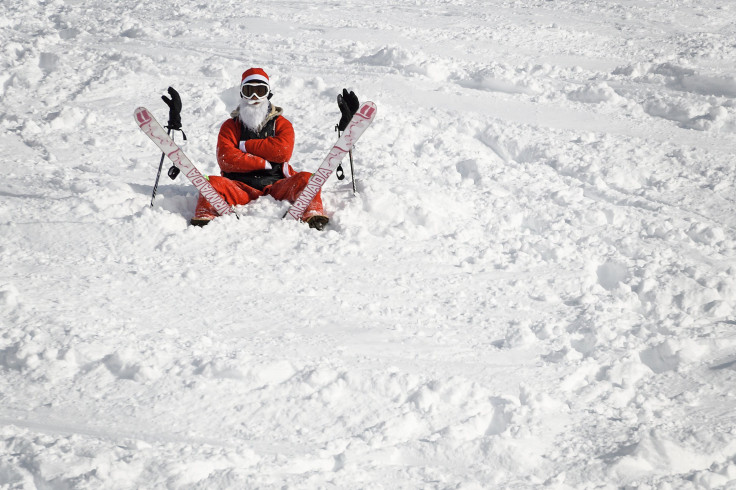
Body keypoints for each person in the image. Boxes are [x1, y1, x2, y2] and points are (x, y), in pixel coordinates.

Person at [190, 67, 329, 230]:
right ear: (242, 94)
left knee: (308, 179)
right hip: (239, 186)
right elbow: (226, 159)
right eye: (249, 91)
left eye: (260, 91)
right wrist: (263, 162)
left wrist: (244, 146)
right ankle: (205, 213)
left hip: (277, 185)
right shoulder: (230, 126)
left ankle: (312, 212)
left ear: (268, 94)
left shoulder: (281, 123)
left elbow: (282, 151)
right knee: (211, 183)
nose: (254, 97)